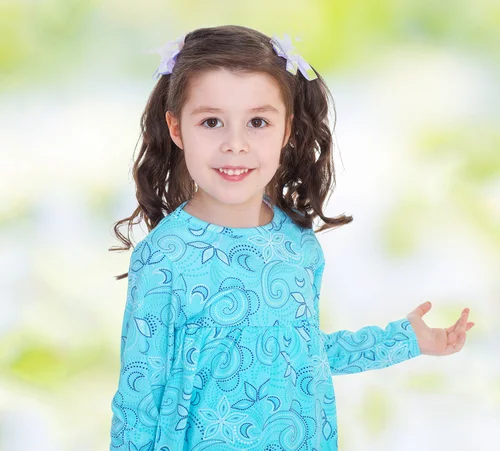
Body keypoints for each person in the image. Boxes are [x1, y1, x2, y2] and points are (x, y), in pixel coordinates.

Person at [108, 25, 475, 451]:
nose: (235, 144)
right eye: (212, 122)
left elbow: (302, 354)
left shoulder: (297, 245)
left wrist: (404, 340)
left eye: (257, 122)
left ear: (287, 132)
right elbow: (139, 397)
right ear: (176, 129)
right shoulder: (164, 258)